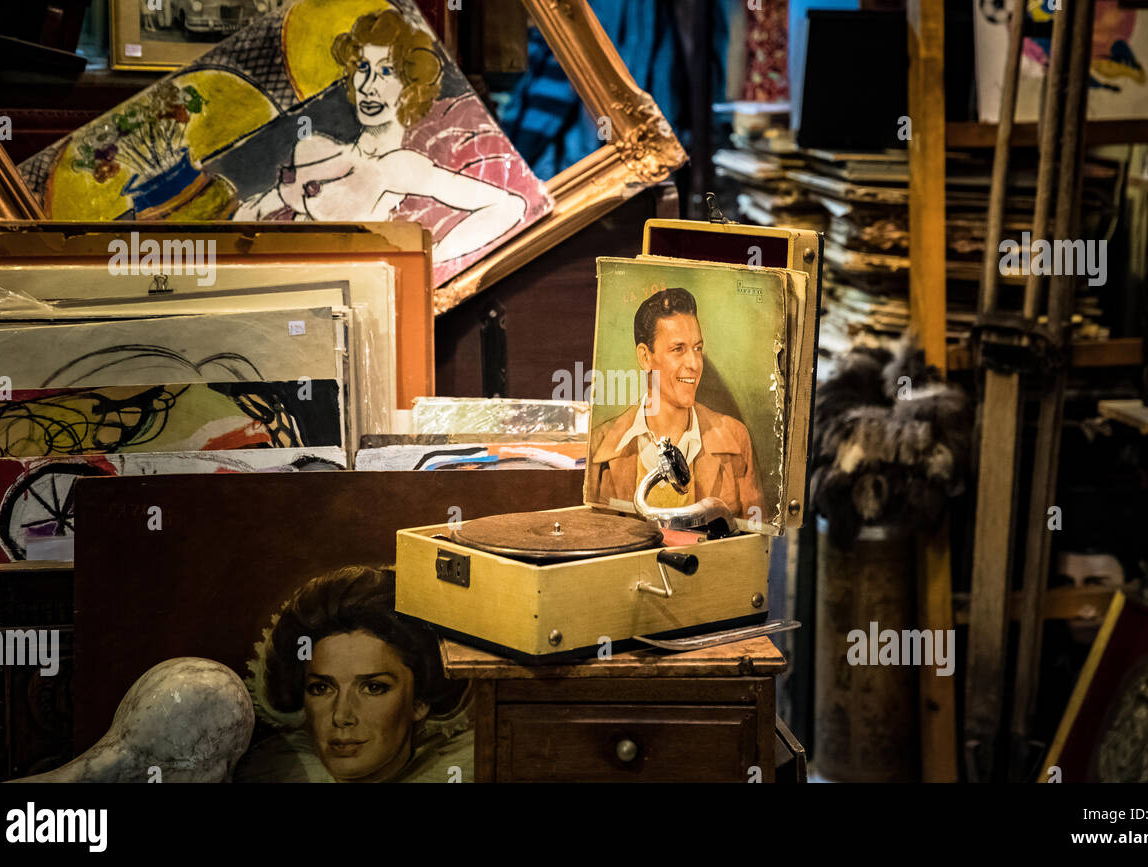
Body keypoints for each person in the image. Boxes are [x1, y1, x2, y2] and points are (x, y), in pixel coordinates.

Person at [236, 6, 526, 264]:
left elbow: (510, 205)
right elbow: (251, 213)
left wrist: (433, 257)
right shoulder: (315, 147)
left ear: (411, 82)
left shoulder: (399, 166)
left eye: (386, 70)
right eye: (363, 67)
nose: (368, 85)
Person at [237, 566, 471, 783]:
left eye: (373, 687)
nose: (341, 716)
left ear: (419, 702)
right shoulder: (268, 773)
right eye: (321, 688)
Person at [586, 287, 765, 520]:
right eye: (678, 349)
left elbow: (757, 547)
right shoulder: (600, 445)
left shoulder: (735, 438)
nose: (694, 363)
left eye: (697, 348)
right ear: (645, 357)